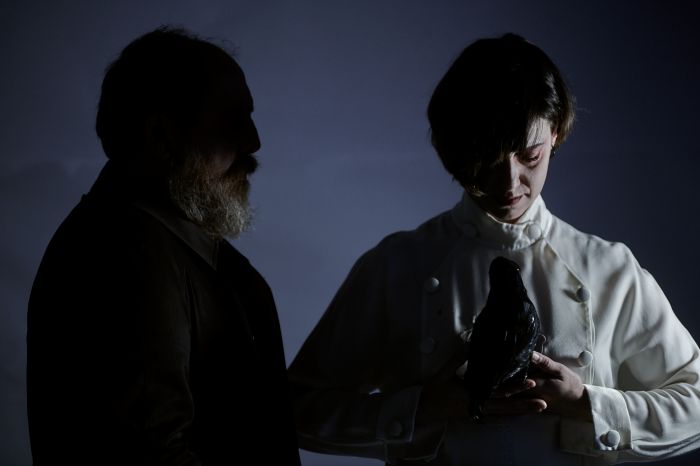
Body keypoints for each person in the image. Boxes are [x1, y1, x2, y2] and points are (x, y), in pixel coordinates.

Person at [288, 33, 700, 465]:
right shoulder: (397, 265)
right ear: (452, 152)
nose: (509, 182)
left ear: (555, 134)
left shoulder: (609, 269)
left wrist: (585, 404)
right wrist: (423, 408)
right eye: (486, 158)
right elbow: (296, 408)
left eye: (530, 156)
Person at [27, 27, 301, 466]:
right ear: (162, 135)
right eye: (232, 119)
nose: (253, 142)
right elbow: (146, 454)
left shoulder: (163, 244)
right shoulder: (122, 254)